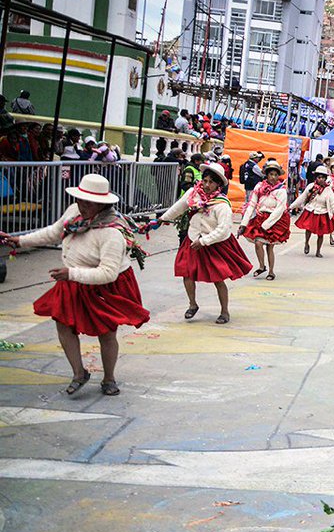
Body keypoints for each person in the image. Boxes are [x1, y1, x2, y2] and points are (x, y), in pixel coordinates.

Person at [0, 174, 148, 396]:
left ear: (102, 204)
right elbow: (54, 232)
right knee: (63, 323)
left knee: (106, 332)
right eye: (80, 200)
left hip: (104, 286)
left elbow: (107, 273)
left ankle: (109, 378)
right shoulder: (75, 213)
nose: (81, 205)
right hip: (72, 279)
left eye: (88, 202)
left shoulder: (111, 233)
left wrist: (72, 273)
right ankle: (79, 373)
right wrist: (20, 241)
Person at [157, 163, 253, 324]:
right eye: (205, 181)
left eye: (211, 182)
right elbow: (179, 207)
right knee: (186, 272)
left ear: (218, 185)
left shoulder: (222, 205)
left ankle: (224, 311)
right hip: (193, 237)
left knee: (218, 278)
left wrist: (204, 241)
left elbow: (223, 229)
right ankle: (192, 304)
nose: (207, 185)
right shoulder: (194, 194)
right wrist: (162, 218)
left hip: (213, 242)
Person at [239, 159, 290, 280]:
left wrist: (266, 225)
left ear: (278, 176)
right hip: (260, 218)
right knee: (258, 243)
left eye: (275, 175)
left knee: (269, 246)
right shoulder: (259, 187)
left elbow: (280, 209)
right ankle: (262, 266)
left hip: (275, 220)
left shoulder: (281, 190)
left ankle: (271, 271)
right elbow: (252, 204)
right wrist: (244, 223)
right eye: (271, 174)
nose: (273, 177)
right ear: (266, 175)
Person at [291, 165, 334, 257]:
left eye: (323, 177)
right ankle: (306, 243)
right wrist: (291, 207)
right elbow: (302, 198)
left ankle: (318, 251)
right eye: (319, 177)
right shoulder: (311, 187)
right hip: (311, 211)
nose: (321, 179)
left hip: (322, 213)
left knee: (320, 234)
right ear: (316, 178)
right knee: (308, 229)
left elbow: (333, 203)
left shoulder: (328, 190)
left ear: (325, 179)